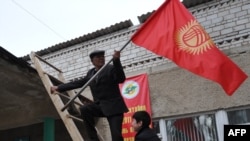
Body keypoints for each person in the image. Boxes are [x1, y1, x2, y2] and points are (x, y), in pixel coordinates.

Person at [51, 50, 128, 141]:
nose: (101, 58)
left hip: (114, 108)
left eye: (102, 56)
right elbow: (78, 83)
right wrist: (59, 87)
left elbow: (121, 79)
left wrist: (116, 61)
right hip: (100, 106)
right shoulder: (90, 73)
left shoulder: (110, 68)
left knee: (116, 136)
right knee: (84, 109)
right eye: (98, 57)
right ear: (92, 61)